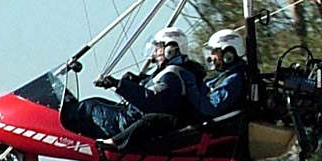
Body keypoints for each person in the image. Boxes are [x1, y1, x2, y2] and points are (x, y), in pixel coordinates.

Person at [63, 27, 201, 142]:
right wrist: (136, 79)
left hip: (130, 123)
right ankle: (66, 110)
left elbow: (152, 100)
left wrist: (118, 84)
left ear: (170, 49)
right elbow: (155, 88)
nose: (155, 52)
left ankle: (59, 121)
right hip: (131, 116)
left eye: (159, 47)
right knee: (96, 101)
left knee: (87, 108)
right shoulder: (176, 72)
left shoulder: (173, 75)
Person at [190, 28, 248, 119]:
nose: (211, 58)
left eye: (215, 52)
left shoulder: (234, 79)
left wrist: (191, 89)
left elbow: (211, 108)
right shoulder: (224, 76)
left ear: (228, 54)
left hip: (216, 127)